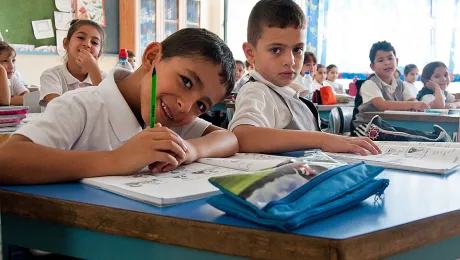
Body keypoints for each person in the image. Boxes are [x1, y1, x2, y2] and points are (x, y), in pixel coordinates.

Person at [0, 28, 239, 185]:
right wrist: (116, 160)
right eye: (186, 81)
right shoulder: (81, 106)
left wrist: (190, 149)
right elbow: (7, 159)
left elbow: (229, 139)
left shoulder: (168, 118)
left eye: (201, 105)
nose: (185, 106)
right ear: (152, 57)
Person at [228, 0, 381, 155]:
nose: (290, 61)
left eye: (297, 49)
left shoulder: (289, 91)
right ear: (250, 53)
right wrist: (322, 140)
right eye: (276, 50)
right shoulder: (257, 90)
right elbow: (242, 137)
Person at [39, 19, 107, 107]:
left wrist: (93, 70)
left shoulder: (105, 79)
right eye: (81, 37)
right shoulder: (51, 75)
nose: (87, 44)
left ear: (99, 54)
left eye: (94, 42)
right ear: (66, 43)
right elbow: (57, 109)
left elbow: (109, 109)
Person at [0, 41, 29, 105]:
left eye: (13, 60)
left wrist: (8, 100)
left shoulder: (13, 78)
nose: (11, 66)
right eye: (5, 61)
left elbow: (28, 97)